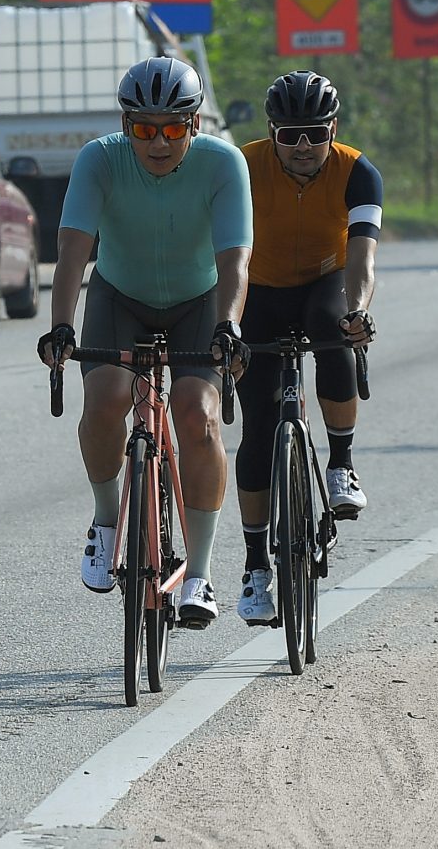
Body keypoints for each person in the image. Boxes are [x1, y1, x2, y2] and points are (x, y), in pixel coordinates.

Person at [37, 56, 252, 630]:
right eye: (144, 128)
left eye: (174, 128)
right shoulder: (99, 159)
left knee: (197, 415)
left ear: (196, 124)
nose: (158, 142)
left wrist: (229, 324)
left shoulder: (223, 163)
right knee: (106, 397)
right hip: (120, 296)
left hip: (199, 301)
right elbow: (73, 252)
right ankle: (107, 521)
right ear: (125, 124)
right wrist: (61, 325)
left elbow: (235, 260)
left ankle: (200, 572)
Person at [232, 71, 381, 627]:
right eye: (289, 134)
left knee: (334, 324)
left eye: (314, 134)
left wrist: (358, 309)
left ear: (332, 130)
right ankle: (255, 567)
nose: (302, 146)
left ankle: (342, 465)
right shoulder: (242, 166)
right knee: (258, 427)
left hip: (325, 280)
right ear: (271, 131)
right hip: (259, 291)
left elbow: (362, 255)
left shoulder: (357, 171)